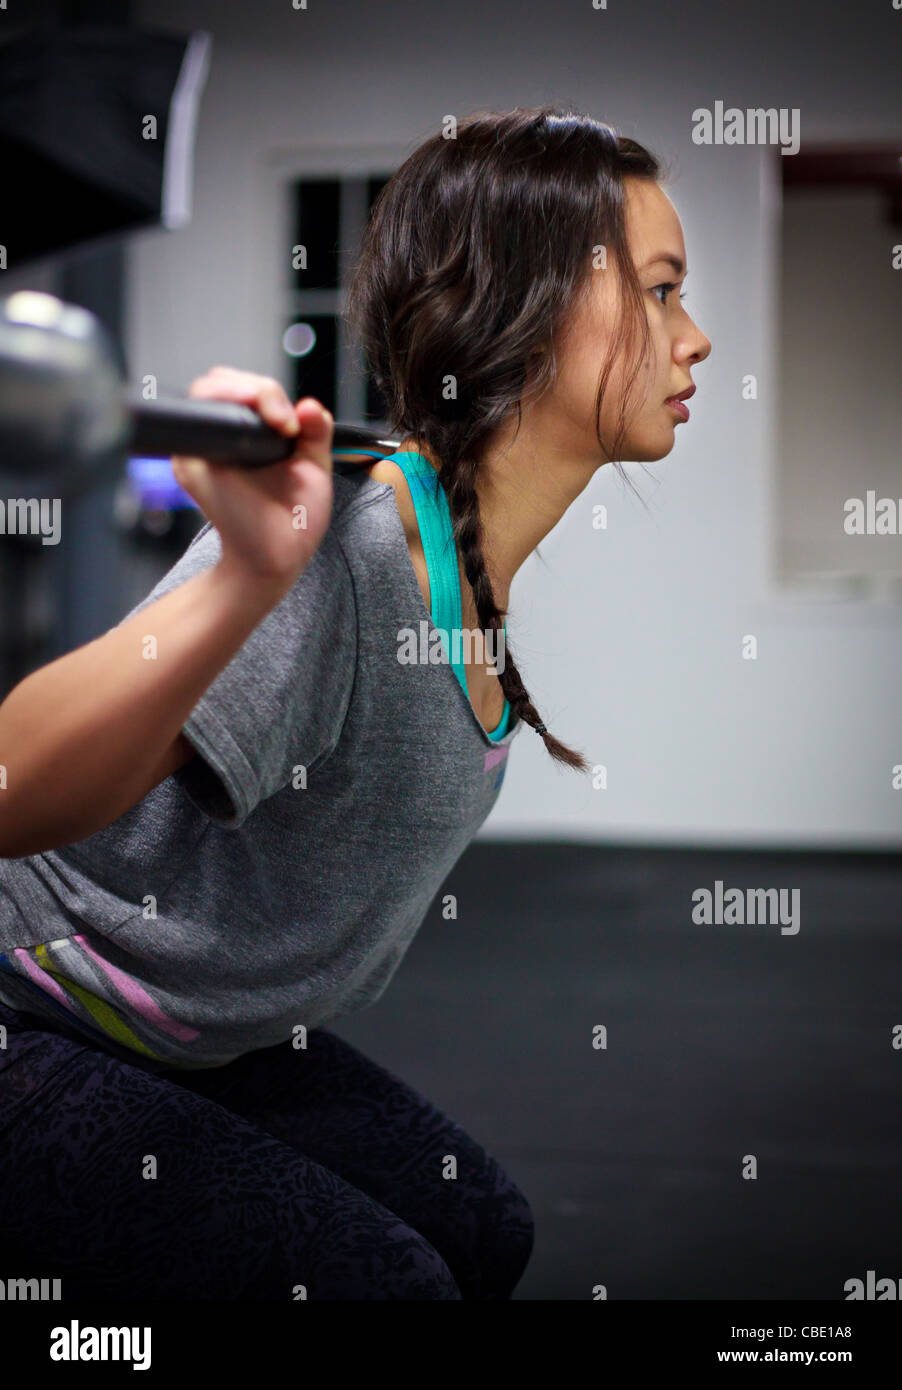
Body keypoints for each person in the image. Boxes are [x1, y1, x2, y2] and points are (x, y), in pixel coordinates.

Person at [0, 105, 710, 1300]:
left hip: (181, 1037)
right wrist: (245, 572)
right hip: (27, 1009)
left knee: (480, 1226)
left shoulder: (455, 561)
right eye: (657, 289)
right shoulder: (348, 555)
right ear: (527, 305)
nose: (693, 339)